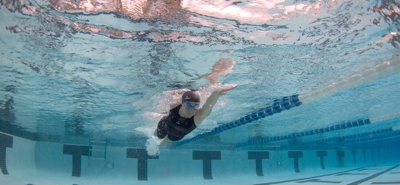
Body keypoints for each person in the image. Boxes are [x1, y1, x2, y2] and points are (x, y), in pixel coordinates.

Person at [154, 84, 237, 147]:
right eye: (188, 105)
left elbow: (209, 104)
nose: (191, 110)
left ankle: (165, 141)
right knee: (157, 136)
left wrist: (216, 93)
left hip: (177, 135)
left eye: (195, 106)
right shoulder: (174, 104)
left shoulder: (198, 117)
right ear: (182, 103)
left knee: (170, 139)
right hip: (165, 124)